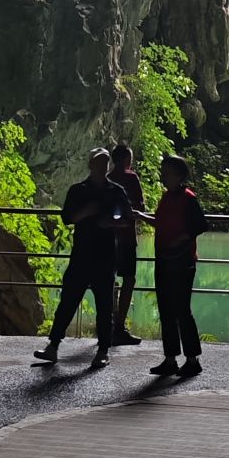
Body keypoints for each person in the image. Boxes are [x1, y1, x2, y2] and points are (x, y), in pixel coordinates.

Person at [32, 149, 133, 368]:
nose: (102, 166)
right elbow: (67, 218)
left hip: (105, 256)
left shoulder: (116, 191)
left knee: (105, 305)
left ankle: (103, 350)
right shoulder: (78, 190)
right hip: (82, 254)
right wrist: (86, 212)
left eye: (105, 162)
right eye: (98, 162)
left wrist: (111, 222)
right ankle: (53, 346)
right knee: (68, 300)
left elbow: (127, 218)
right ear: (90, 164)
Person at [147, 152, 207, 382]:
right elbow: (161, 222)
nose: (164, 176)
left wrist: (179, 240)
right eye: (163, 172)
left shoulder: (188, 198)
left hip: (182, 262)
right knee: (166, 310)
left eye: (168, 172)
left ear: (180, 175)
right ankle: (170, 358)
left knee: (182, 310)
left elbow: (200, 225)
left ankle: (192, 360)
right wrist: (141, 217)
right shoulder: (166, 197)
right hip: (163, 259)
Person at [109, 141, 146, 345]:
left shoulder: (107, 179)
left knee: (108, 280)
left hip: (108, 239)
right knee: (129, 280)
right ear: (125, 159)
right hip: (127, 238)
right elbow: (140, 206)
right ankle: (120, 326)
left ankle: (109, 323)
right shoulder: (131, 178)